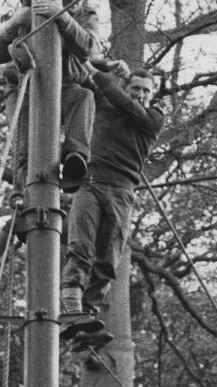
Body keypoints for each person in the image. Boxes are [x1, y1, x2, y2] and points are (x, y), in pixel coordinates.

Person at [60, 61, 164, 349]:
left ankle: (88, 317)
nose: (140, 95)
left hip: (122, 190)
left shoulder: (152, 118)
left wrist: (107, 80)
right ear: (126, 87)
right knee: (81, 246)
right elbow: (83, 66)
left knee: (109, 256)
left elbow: (128, 106)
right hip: (90, 182)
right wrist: (103, 66)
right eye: (136, 88)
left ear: (152, 95)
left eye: (146, 90)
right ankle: (72, 306)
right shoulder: (102, 102)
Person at [0, 0, 100, 194]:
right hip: (24, 87)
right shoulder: (30, 9)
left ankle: (75, 158)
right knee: (24, 151)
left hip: (65, 85)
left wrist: (63, 17)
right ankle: (26, 199)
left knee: (84, 96)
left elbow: (89, 48)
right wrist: (13, 24)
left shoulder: (86, 16)